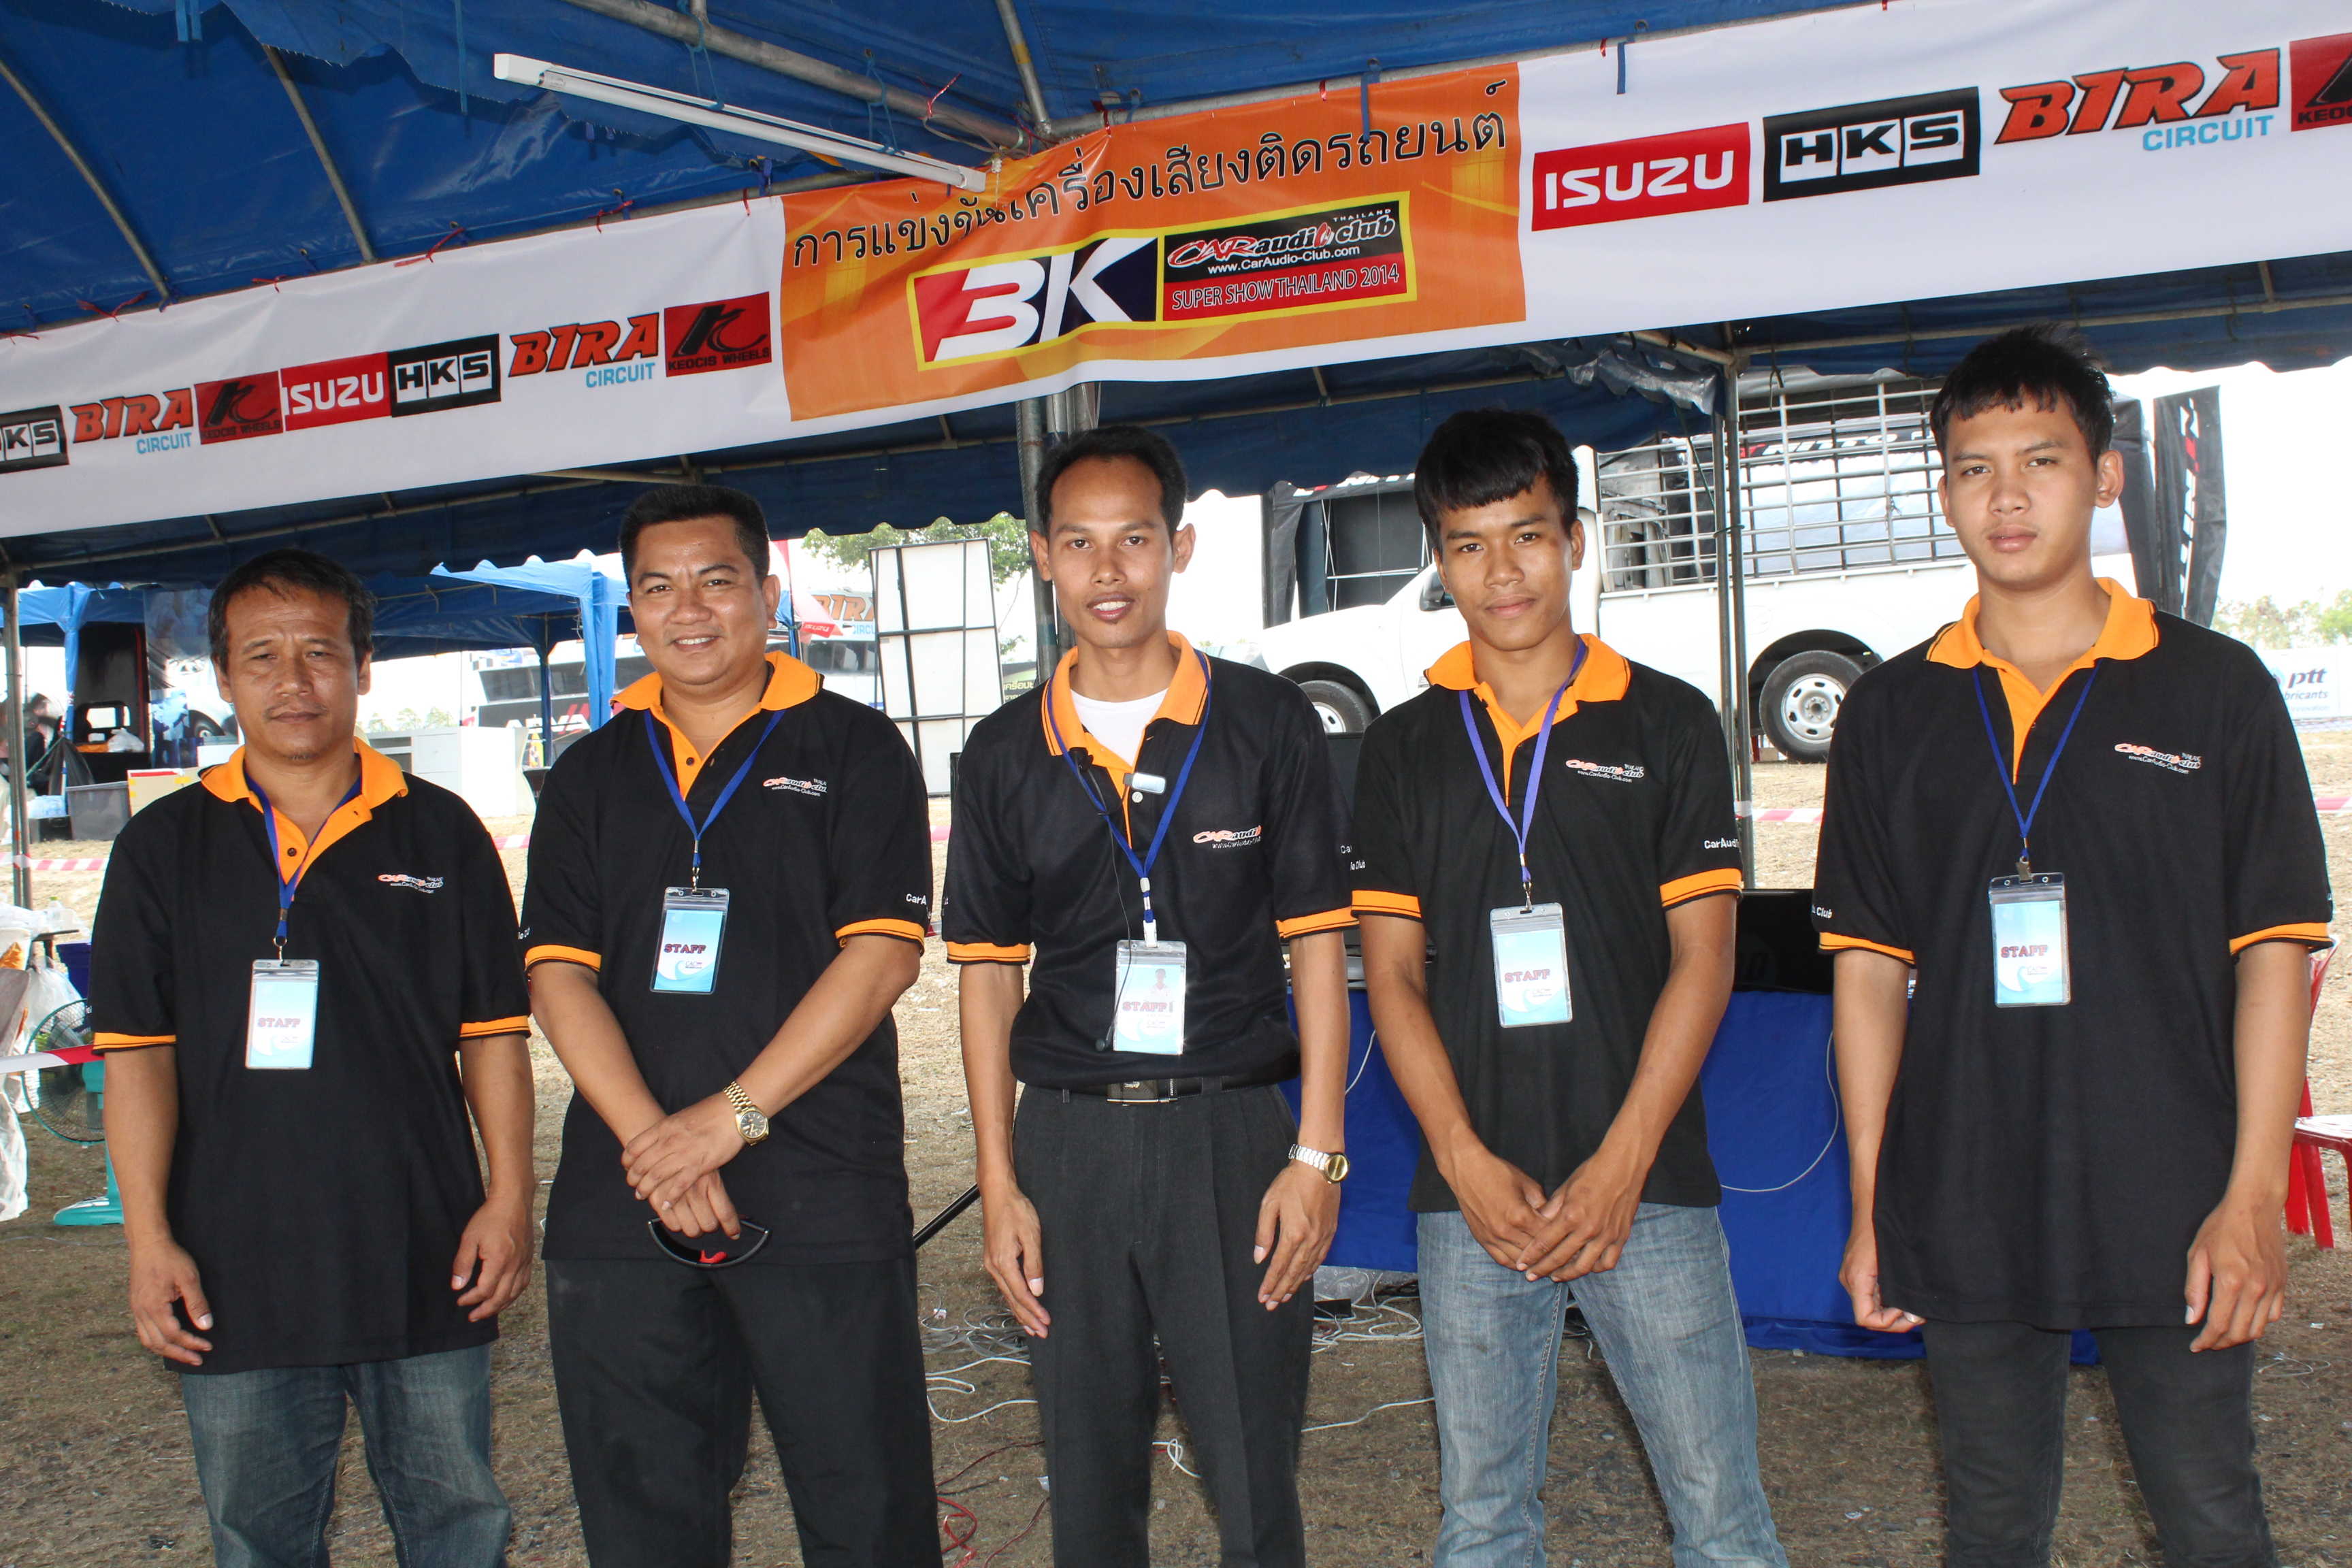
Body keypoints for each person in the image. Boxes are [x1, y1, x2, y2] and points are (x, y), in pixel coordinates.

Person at [1816, 325, 2329, 1568]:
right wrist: (1877, 1207)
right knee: (1992, 1528)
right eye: (1973, 468)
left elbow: (2275, 955)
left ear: (2103, 476)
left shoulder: (2215, 688)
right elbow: (1868, 974)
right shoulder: (1890, 710)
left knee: (2212, 1520)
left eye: (2040, 461)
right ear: (1945, 491)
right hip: (1966, 1189)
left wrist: (2253, 1198)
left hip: (2174, 1188)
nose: (2006, 497)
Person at [1351, 408, 1786, 1568]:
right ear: (1439, 560)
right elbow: (1390, 976)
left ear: (1577, 540)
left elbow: (1706, 957)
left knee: (1722, 1517)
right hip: (1473, 1198)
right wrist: (1460, 1158)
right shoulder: (1402, 747)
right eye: (1470, 544)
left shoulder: (1669, 719)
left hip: (1648, 1184)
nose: (1503, 572)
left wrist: (1624, 1162)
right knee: (1483, 1521)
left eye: (1529, 536)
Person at [944, 425, 1354, 1567]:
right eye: (1079, 543)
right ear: (1042, 555)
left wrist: (1317, 1157)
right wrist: (999, 1183)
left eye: (1133, 539)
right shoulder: (1003, 752)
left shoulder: (1267, 721)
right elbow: (987, 976)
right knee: (1086, 1478)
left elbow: (1319, 946)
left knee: (1254, 1475)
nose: (1108, 571)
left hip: (1231, 1139)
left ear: (1178, 546)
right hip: (1067, 1147)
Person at [89, 549, 534, 1568]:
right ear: (223, 676)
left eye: (320, 653)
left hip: (425, 1246)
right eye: (262, 657)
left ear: (363, 667)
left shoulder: (442, 831)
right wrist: (148, 1241)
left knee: (459, 1525)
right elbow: (138, 1060)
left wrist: (510, 1199)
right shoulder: (162, 847)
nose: (293, 681)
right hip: (231, 1260)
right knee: (258, 1538)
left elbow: (493, 1037)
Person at [523, 483, 936, 1567]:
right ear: (634, 607)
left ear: (766, 590)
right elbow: (557, 977)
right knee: (644, 1516)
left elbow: (883, 955)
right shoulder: (589, 772)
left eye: (715, 580)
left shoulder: (854, 746)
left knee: (865, 1503)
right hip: (625, 1197)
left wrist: (729, 1119)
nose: (688, 609)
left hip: (818, 1181)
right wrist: (658, 1147)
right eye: (659, 587)